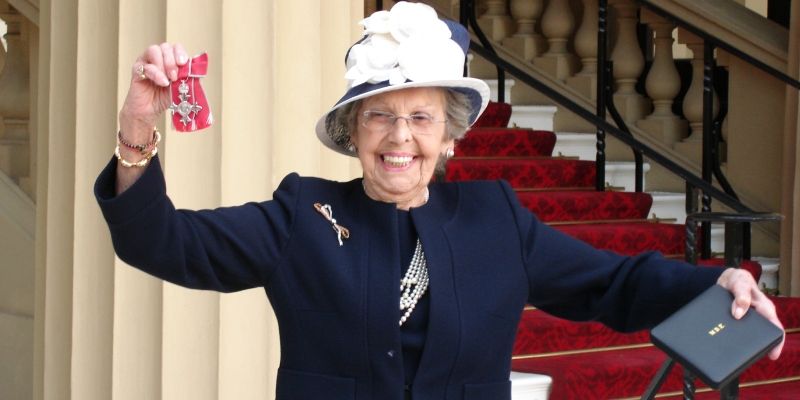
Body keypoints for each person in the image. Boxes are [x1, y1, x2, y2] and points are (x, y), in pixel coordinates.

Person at [95, 2, 783, 399]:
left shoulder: (496, 219)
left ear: (451, 139)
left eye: (422, 118)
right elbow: (159, 241)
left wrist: (718, 279)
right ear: (352, 134)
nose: (400, 138)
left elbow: (613, 282)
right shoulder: (300, 216)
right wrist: (136, 131)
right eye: (378, 116)